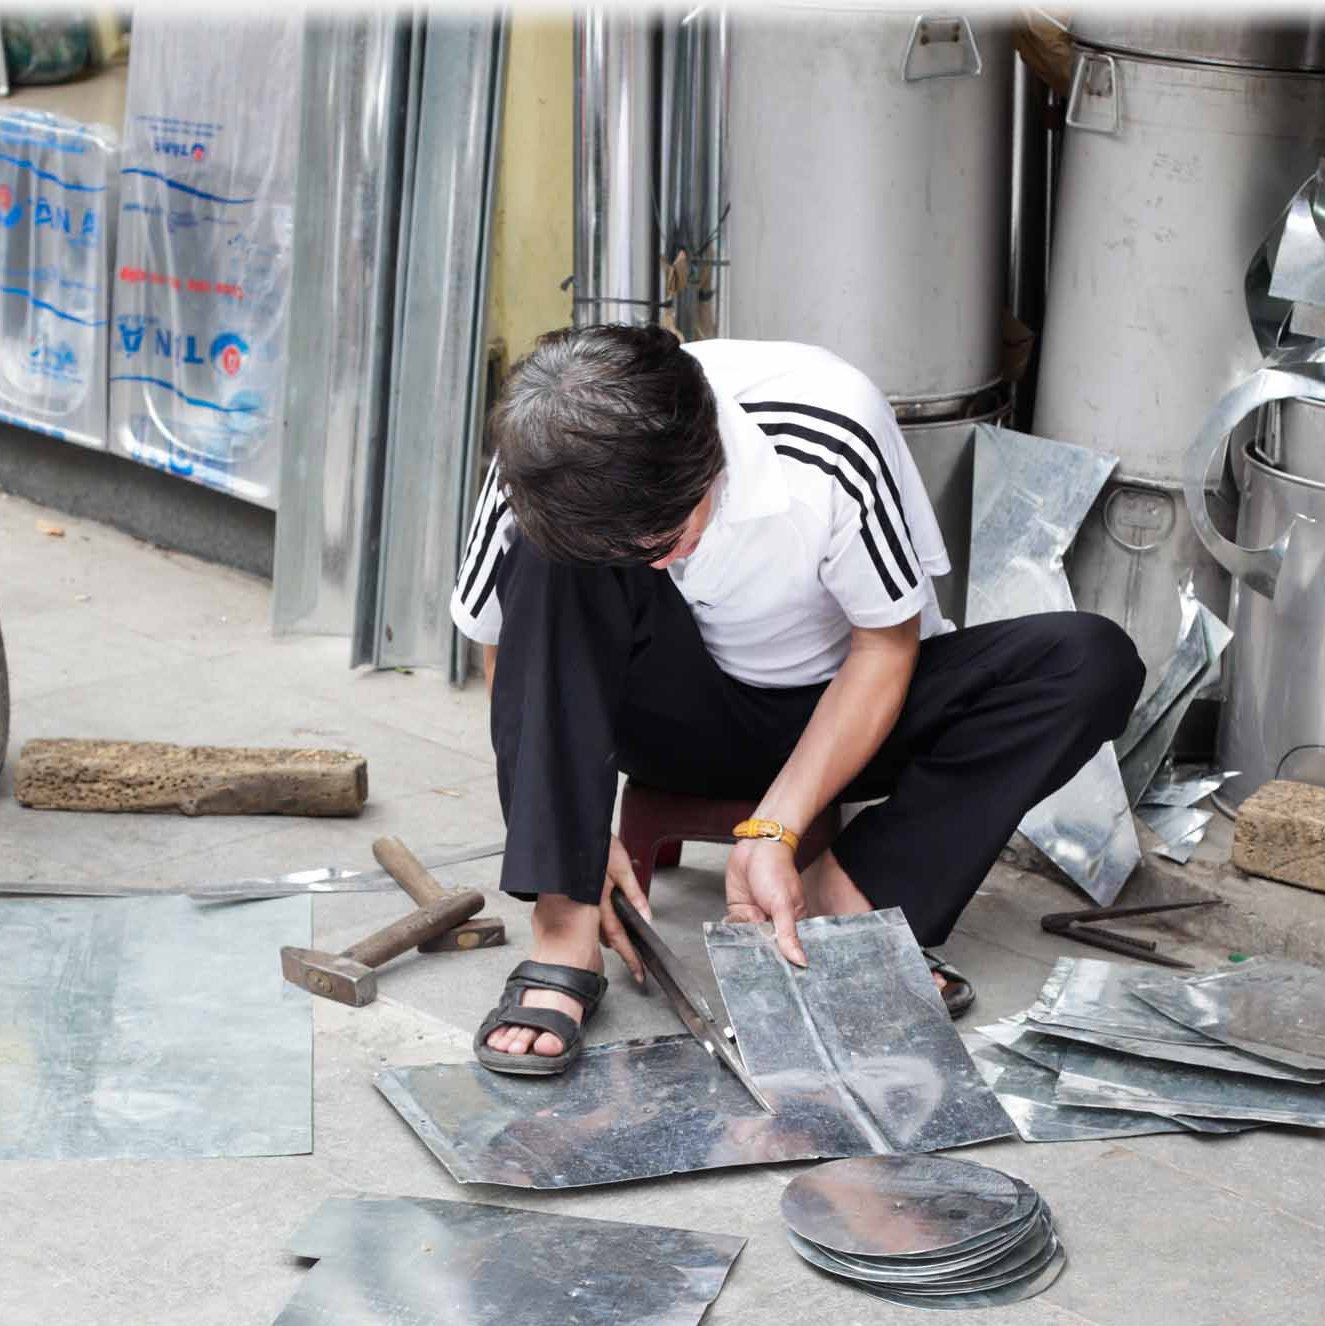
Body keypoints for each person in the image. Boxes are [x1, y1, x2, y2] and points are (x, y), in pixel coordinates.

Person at [451, 325, 1143, 1072]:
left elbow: (885, 645)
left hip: (841, 708)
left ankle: (840, 908)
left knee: (1089, 661)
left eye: (667, 536)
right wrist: (571, 831)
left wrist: (776, 829)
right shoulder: (545, 460)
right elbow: (510, 648)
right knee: (551, 563)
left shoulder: (829, 424)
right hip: (665, 714)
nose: (654, 562)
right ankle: (565, 936)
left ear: (709, 456)